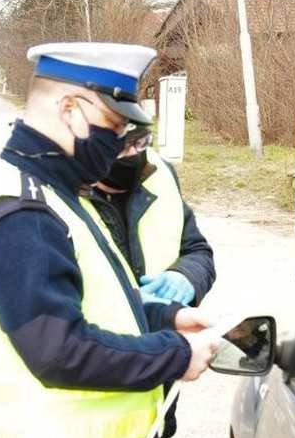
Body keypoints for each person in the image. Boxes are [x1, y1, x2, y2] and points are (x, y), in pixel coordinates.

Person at [0, 42, 218, 438]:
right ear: (72, 110)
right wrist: (175, 356)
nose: (119, 144)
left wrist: (169, 317)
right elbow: (58, 349)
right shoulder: (24, 215)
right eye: (113, 125)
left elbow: (100, 300)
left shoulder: (57, 195)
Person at [85, 126, 215, 307]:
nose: (133, 153)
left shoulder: (160, 173)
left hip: (166, 328)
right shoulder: (57, 196)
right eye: (121, 147)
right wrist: (125, 304)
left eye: (140, 142)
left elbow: (197, 250)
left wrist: (186, 275)